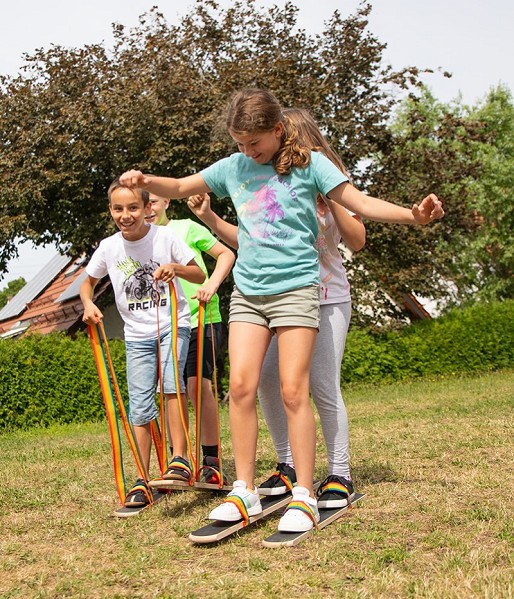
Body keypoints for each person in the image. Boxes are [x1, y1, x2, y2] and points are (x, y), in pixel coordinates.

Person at [119, 87, 444, 532]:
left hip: (297, 290)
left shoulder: (310, 165)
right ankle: (244, 491)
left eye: (254, 143)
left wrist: (413, 215)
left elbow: (361, 203)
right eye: (238, 143)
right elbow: (178, 187)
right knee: (241, 387)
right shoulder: (234, 167)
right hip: (250, 293)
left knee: (295, 391)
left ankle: (305, 494)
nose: (247, 152)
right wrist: (145, 182)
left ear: (276, 130)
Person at [186, 107, 365, 509]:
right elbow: (248, 239)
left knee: (319, 386)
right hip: (279, 297)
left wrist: (331, 200)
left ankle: (339, 472)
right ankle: (287, 463)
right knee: (266, 380)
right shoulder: (271, 188)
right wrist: (210, 217)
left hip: (326, 296)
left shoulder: (322, 184)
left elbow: (357, 241)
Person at [80, 178, 205, 507]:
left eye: (133, 207)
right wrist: (89, 304)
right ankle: (143, 478)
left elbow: (198, 274)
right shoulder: (108, 247)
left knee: (170, 384)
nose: (126, 214)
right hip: (136, 335)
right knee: (139, 404)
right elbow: (87, 284)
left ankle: (180, 459)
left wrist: (174, 268)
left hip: (172, 325)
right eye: (118, 209)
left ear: (147, 208)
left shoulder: (165, 237)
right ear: (111, 211)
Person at [145, 193, 235, 484]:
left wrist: (211, 284)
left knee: (197, 386)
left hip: (201, 319)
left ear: (167, 203)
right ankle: (179, 461)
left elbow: (226, 254)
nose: (149, 209)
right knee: (173, 390)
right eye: (143, 204)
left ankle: (211, 461)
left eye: (154, 203)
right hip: (165, 324)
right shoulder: (140, 240)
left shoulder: (187, 228)